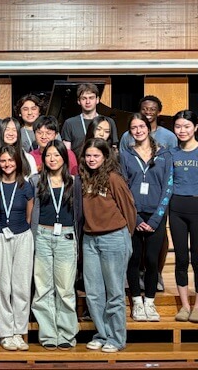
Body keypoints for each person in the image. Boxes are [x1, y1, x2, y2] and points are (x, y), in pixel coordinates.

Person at [80, 138, 136, 353]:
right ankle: (102, 334)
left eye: (96, 155)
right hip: (90, 239)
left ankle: (116, 338)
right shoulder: (84, 178)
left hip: (113, 238)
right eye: (88, 155)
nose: (91, 159)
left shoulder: (113, 178)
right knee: (94, 292)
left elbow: (129, 208)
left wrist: (125, 237)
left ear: (105, 157)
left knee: (114, 291)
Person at [30, 140, 83, 350]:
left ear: (64, 158)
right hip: (42, 236)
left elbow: (79, 214)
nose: (52, 159)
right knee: (43, 288)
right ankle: (48, 334)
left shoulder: (74, 182)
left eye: (57, 155)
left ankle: (66, 334)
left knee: (65, 289)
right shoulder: (36, 181)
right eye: (49, 155)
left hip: (66, 238)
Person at [120, 114, 172, 322]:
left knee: (151, 260)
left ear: (148, 128)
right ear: (130, 131)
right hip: (133, 215)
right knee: (133, 259)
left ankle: (150, 302)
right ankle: (136, 302)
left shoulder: (164, 154)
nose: (138, 130)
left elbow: (168, 187)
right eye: (134, 127)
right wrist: (136, 218)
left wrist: (155, 219)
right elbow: (123, 188)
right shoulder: (125, 155)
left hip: (156, 216)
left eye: (141, 126)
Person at [0, 145, 34, 352]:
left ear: (17, 161)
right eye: (3, 161)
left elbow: (29, 215)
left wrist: (20, 230)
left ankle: (19, 332)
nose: (7, 164)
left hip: (22, 236)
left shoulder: (26, 185)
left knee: (21, 286)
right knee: (2, 286)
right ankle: (5, 333)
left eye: (10, 160)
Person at [169, 110, 198, 322]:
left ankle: (197, 307)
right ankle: (185, 306)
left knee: (197, 259)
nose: (182, 130)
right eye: (178, 126)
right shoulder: (171, 153)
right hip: (177, 208)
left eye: (186, 126)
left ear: (195, 127)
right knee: (181, 259)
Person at [61, 83, 118, 155]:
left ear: (97, 100)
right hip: (78, 161)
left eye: (91, 98)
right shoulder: (69, 123)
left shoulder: (108, 122)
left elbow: (114, 150)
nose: (88, 102)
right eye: (84, 98)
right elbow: (67, 153)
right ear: (78, 101)